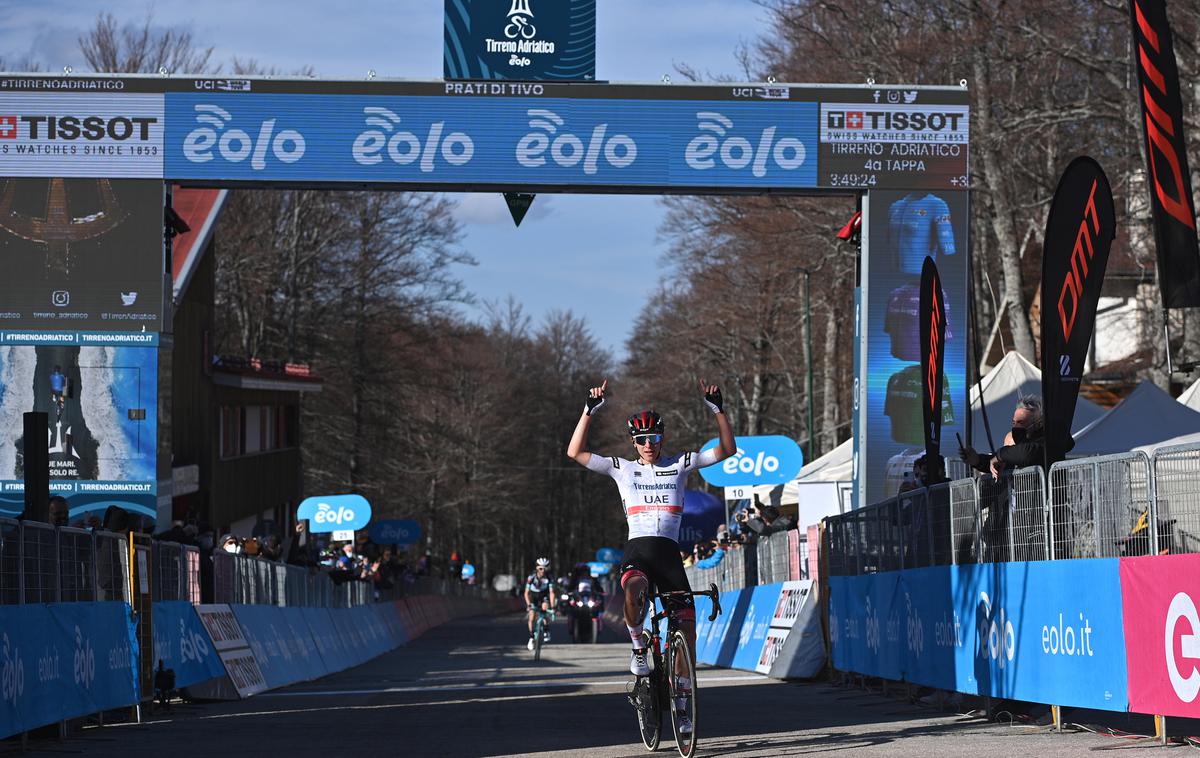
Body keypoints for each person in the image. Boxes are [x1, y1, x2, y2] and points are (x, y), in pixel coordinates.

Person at [568, 378, 735, 736]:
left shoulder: (681, 464)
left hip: (670, 556)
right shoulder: (622, 468)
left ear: (662, 439)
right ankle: (639, 648)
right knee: (633, 592)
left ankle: (683, 704)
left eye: (654, 438)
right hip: (639, 551)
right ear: (633, 442)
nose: (648, 445)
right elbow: (575, 453)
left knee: (686, 633)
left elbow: (726, 451)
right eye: (642, 440)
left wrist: (718, 410)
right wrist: (588, 411)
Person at [959, 394, 1069, 478]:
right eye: (1013, 422)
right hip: (1023, 507)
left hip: (1046, 506)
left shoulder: (1050, 442)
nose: (1016, 427)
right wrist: (977, 460)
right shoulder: (1017, 451)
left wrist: (999, 455)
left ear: (1039, 424)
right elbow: (1002, 462)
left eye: (1021, 422)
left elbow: (1027, 453)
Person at [524, 557, 557, 650]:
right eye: (540, 568)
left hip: (544, 595)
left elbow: (552, 593)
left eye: (545, 568)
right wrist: (528, 604)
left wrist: (553, 606)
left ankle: (546, 629)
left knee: (545, 608)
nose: (543, 571)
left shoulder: (549, 578)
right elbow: (526, 593)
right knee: (532, 616)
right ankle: (531, 637)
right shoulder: (531, 578)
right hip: (533, 596)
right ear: (537, 568)